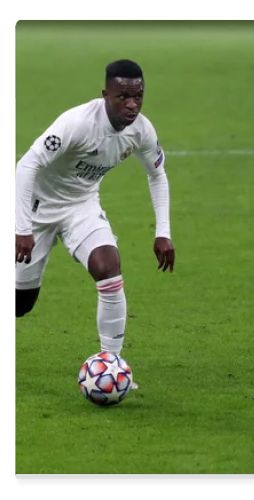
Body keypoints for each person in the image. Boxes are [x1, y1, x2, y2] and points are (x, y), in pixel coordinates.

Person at [15, 59, 175, 357]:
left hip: (81, 206)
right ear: (105, 94)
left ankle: (110, 363)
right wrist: (21, 228)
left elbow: (157, 174)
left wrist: (163, 232)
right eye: (123, 97)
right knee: (19, 304)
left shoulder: (141, 130)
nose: (132, 105)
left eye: (138, 96)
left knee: (108, 266)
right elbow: (26, 166)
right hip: (36, 209)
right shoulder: (77, 123)